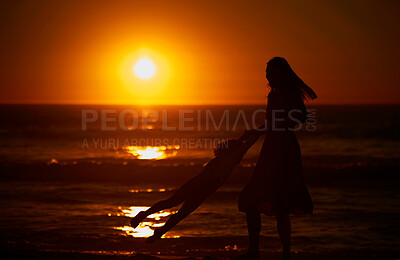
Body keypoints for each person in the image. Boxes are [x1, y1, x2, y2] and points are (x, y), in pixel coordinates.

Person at [237, 57, 317, 260]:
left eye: (270, 74)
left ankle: (280, 254)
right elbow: (271, 124)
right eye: (266, 75)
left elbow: (302, 117)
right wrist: (255, 132)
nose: (267, 78)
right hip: (273, 148)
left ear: (279, 74)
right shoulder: (273, 96)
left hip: (283, 151)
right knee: (252, 200)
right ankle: (259, 251)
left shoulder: (285, 95)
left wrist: (277, 124)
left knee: (278, 204)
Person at [130, 135, 259, 243]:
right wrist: (260, 131)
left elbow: (245, 143)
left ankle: (151, 224)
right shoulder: (232, 158)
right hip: (202, 187)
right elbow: (248, 144)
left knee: (174, 205)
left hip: (198, 185)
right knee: (180, 211)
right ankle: (157, 230)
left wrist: (249, 135)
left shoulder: (221, 158)